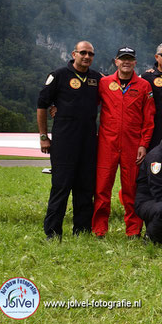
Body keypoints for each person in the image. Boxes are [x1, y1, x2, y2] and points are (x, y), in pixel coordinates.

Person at [37, 41, 101, 239]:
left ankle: (82, 232)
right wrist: (43, 137)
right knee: (61, 187)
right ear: (74, 53)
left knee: (85, 189)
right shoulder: (58, 76)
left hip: (89, 142)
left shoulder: (97, 78)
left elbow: (118, 86)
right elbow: (42, 105)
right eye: (83, 53)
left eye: (90, 54)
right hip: (64, 143)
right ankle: (53, 233)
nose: (87, 57)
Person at [92, 47, 156, 239]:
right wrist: (56, 107)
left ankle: (133, 230)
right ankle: (99, 230)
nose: (126, 62)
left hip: (132, 146)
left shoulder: (144, 86)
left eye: (130, 59)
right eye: (122, 59)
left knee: (132, 190)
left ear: (135, 62)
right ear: (116, 62)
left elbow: (149, 119)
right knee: (102, 189)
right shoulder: (104, 83)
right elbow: (84, 103)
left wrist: (143, 144)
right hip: (107, 144)